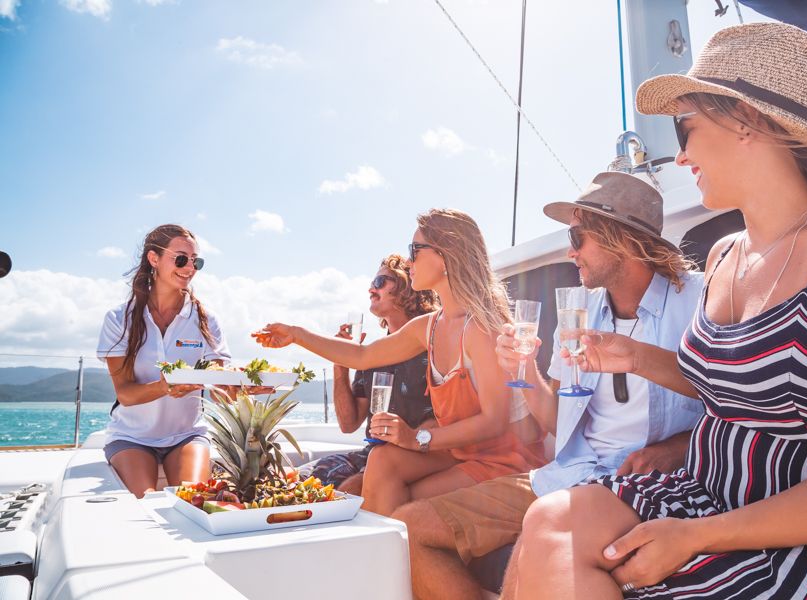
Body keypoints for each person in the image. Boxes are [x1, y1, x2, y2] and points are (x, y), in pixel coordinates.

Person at [514, 23, 807, 599]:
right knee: (548, 520)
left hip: (803, 541)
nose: (681, 152)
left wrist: (698, 536)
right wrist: (636, 357)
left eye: (685, 127)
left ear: (746, 121)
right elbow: (728, 387)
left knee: (551, 554)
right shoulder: (723, 255)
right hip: (705, 493)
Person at [392, 172, 705, 600]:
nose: (570, 250)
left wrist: (679, 447)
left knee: (537, 541)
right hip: (569, 472)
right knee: (409, 528)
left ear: (623, 240)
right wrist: (523, 372)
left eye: (579, 236)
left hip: (635, 483)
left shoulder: (700, 302)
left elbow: (735, 399)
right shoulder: (577, 311)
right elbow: (556, 419)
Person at [253, 208, 547, 516]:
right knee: (381, 460)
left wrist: (417, 437)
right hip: (461, 453)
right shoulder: (431, 326)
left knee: (395, 500)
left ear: (446, 256)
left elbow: (494, 420)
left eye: (415, 250)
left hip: (504, 461)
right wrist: (296, 334)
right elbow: (362, 355)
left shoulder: (480, 327)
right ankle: (382, 552)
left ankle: (386, 549)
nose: (408, 262)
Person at [97, 224, 231, 498]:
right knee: (146, 501)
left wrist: (240, 387)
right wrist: (165, 387)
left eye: (196, 261)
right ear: (153, 259)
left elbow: (218, 387)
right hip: (131, 437)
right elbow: (125, 394)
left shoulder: (206, 320)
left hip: (187, 435)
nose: (190, 268)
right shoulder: (118, 319)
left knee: (193, 499)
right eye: (181, 259)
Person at [301, 254, 439, 495]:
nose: (370, 289)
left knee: (343, 492)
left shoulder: (434, 348)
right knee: (298, 480)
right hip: (371, 453)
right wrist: (340, 365)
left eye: (379, 282)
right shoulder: (372, 356)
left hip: (414, 457)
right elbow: (348, 423)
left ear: (406, 287)